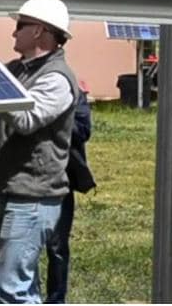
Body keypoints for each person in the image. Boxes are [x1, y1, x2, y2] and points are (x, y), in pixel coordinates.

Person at [0, 0, 80, 304]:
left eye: (20, 25)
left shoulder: (56, 78)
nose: (13, 33)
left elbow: (28, 119)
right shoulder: (19, 70)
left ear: (39, 31)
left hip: (32, 197)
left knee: (10, 290)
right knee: (23, 287)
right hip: (14, 190)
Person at [45, 83, 96, 303]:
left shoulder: (73, 93)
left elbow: (83, 131)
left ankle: (56, 299)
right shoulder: (20, 83)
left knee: (57, 244)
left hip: (60, 177)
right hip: (25, 178)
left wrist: (53, 116)